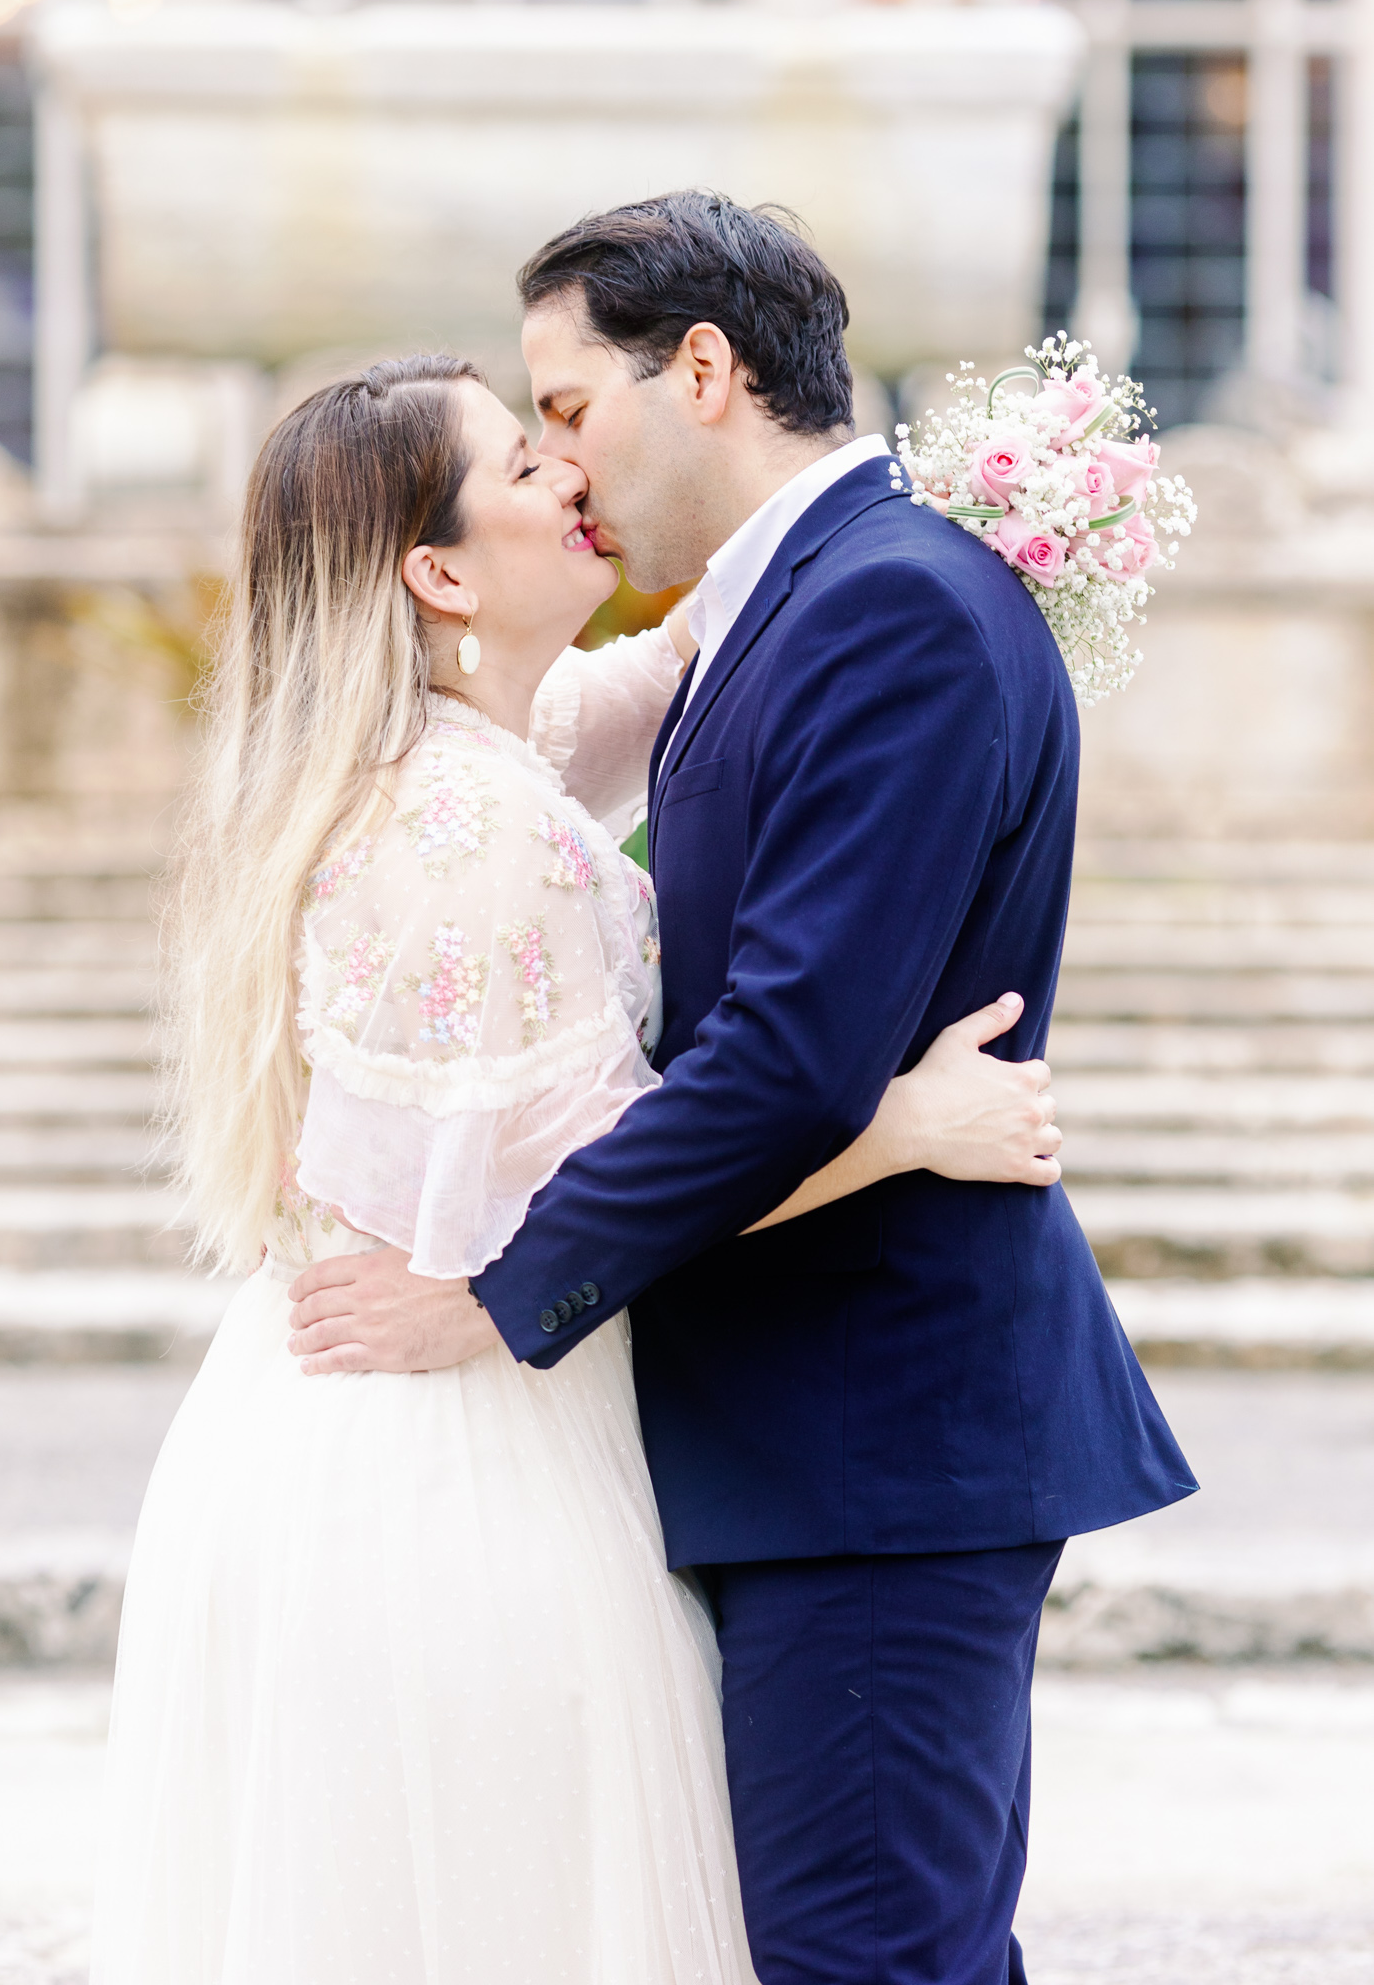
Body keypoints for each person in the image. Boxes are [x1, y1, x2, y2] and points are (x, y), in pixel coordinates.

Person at [294, 196, 1197, 1985]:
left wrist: (497, 1296)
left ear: (700, 368)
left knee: (866, 1961)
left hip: (877, 1436)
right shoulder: (783, 606)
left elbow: (783, 1057)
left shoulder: (890, 610)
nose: (560, 456)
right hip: (788, 1435)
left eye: (565, 406)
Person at [90, 351, 1064, 1985]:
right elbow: (631, 1176)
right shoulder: (479, 830)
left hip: (328, 1428)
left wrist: (917, 509)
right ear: (441, 570)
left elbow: (674, 669)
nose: (571, 477)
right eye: (523, 465)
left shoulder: (440, 750)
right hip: (459, 1463)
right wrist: (906, 1126)